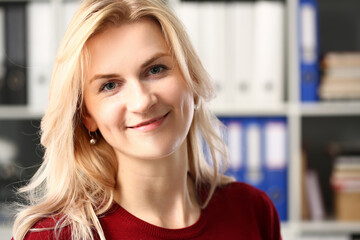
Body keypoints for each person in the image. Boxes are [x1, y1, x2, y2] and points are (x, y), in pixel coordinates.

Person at [12, 0, 282, 239]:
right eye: (110, 86)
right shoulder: (52, 236)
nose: (142, 101)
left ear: (192, 78)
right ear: (87, 116)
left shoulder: (253, 209)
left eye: (156, 69)